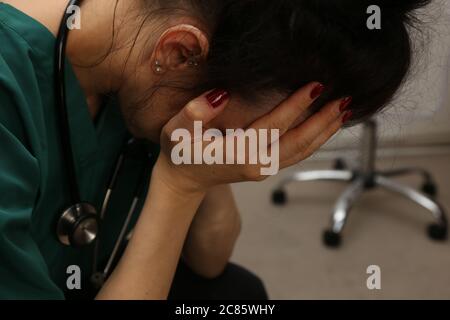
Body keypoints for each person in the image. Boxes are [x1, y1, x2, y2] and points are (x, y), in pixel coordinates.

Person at [0, 0, 431, 299]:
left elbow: (210, 258)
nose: (254, 145)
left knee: (234, 296)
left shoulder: (144, 64)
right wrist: (178, 185)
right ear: (181, 51)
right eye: (249, 131)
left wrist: (201, 173)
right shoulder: (10, 86)